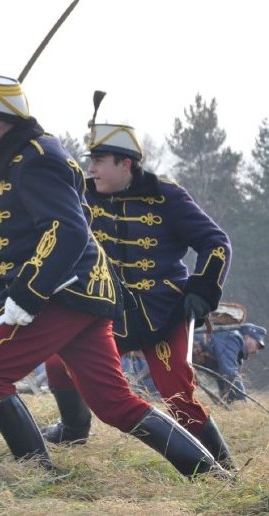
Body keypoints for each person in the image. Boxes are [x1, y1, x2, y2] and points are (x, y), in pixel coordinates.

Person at [0, 72, 223, 477]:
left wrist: (27, 292)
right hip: (88, 294)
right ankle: (210, 474)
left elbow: (66, 230)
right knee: (115, 404)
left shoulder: (37, 161)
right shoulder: (16, 149)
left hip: (64, 292)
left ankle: (39, 473)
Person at [39, 110, 236, 469]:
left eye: (99, 161)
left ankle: (220, 465)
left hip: (162, 313)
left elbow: (216, 242)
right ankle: (74, 430)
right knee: (56, 359)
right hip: (103, 309)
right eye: (91, 161)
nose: (92, 169)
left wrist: (203, 289)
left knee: (176, 393)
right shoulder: (81, 195)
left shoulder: (168, 196)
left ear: (125, 164)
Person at [194, 322, 265, 402]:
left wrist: (228, 402)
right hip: (183, 345)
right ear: (247, 337)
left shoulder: (235, 348)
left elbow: (222, 377)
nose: (256, 351)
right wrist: (242, 402)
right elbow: (229, 372)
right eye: (257, 345)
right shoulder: (233, 337)